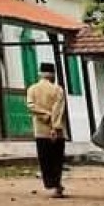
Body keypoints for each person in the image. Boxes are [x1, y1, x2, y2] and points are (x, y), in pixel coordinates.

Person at [26, 62, 67, 197]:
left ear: (40, 74)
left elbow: (31, 106)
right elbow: (58, 110)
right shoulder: (58, 90)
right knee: (57, 160)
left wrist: (44, 115)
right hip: (57, 132)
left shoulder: (32, 89)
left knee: (45, 160)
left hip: (40, 131)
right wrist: (54, 126)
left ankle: (51, 184)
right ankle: (56, 185)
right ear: (52, 75)